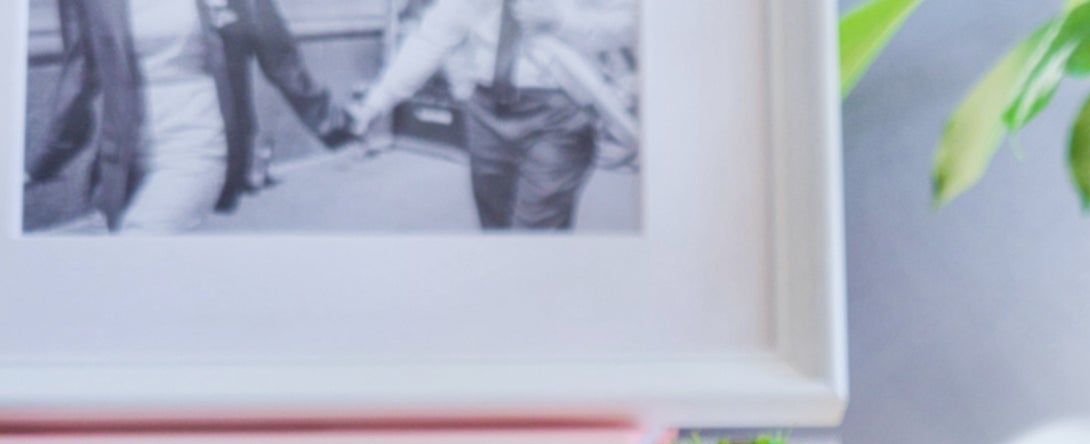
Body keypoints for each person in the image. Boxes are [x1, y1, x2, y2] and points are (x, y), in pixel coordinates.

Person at [27, 0, 350, 234]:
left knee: (139, 245)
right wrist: (45, 162)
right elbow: (80, 76)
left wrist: (332, 124)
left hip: (198, 139)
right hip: (123, 154)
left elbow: (280, 54)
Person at [348, 0, 637, 231]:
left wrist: (560, 20)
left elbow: (629, 24)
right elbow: (431, 39)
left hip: (558, 113)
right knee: (495, 227)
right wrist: (377, 102)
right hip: (485, 114)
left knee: (534, 234)